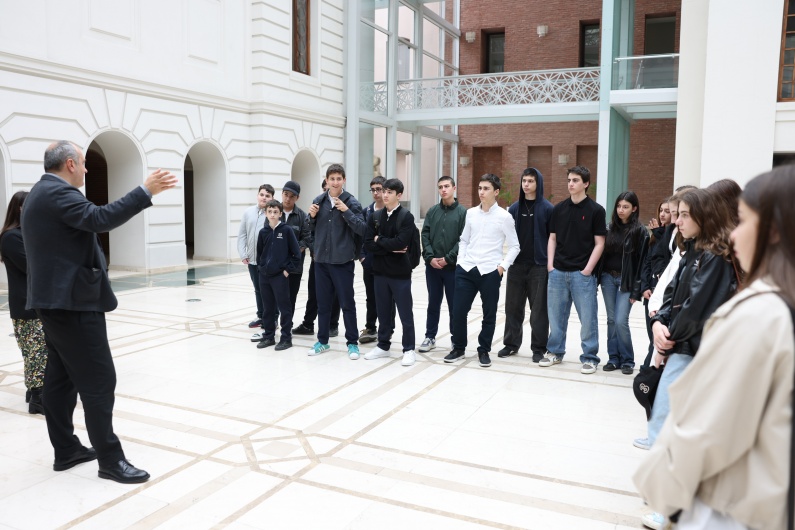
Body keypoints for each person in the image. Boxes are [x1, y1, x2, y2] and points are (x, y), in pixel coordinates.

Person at [634, 167, 793, 530]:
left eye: (744, 221)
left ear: (773, 231)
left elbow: (709, 425)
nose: (734, 233)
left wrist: (664, 489)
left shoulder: (761, 313)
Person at [21, 140, 177, 483]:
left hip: (57, 301)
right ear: (70, 164)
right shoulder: (56, 193)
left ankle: (66, 450)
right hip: (71, 302)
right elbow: (99, 219)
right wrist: (145, 191)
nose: (87, 169)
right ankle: (110, 459)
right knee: (99, 380)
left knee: (60, 380)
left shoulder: (40, 192)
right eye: (83, 162)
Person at [444, 174, 520, 368]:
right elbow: (464, 240)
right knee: (458, 311)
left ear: (496, 192)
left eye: (486, 188)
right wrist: (460, 262)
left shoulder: (504, 217)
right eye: (480, 188)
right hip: (467, 269)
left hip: (490, 272)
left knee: (489, 314)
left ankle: (484, 350)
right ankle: (458, 348)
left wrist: (502, 268)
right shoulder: (470, 214)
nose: (481, 192)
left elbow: (515, 246)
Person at [539, 165, 606, 374]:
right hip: (557, 272)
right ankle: (555, 352)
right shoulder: (558, 209)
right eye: (569, 180)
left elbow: (600, 243)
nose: (571, 184)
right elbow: (552, 239)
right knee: (556, 317)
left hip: (582, 275)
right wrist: (550, 266)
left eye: (575, 180)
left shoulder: (596, 210)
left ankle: (590, 357)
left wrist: (587, 269)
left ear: (586, 184)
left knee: (588, 319)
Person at [307, 164, 367, 359]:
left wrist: (346, 211)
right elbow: (310, 229)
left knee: (347, 303)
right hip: (321, 262)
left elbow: (362, 229)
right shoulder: (318, 201)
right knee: (323, 304)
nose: (335, 182)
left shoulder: (352, 202)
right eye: (331, 179)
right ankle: (322, 341)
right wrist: (311, 217)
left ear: (344, 180)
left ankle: (352, 343)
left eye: (338, 179)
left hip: (342, 262)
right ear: (326, 181)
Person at [498, 167, 553, 362]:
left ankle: (538, 348)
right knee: (512, 307)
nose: (526, 184)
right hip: (516, 266)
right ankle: (511, 344)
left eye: (530, 181)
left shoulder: (547, 209)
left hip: (539, 267)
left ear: (538, 183)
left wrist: (550, 264)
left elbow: (553, 239)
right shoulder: (514, 209)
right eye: (524, 181)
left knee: (538, 311)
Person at [0, 191, 48, 414]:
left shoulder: (25, 234)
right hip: (27, 305)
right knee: (37, 352)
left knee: (36, 350)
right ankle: (38, 399)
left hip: (35, 302)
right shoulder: (11, 237)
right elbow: (32, 267)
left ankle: (33, 391)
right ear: (20, 209)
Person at [363, 178, 417, 366]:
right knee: (383, 312)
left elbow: (401, 243)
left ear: (399, 195)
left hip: (400, 274)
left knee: (405, 314)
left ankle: (409, 349)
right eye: (384, 191)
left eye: (389, 192)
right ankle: (383, 345)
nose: (384, 195)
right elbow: (368, 244)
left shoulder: (406, 217)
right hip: (380, 273)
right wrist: (388, 246)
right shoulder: (375, 216)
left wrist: (379, 240)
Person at [599, 191, 648, 375]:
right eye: (619, 206)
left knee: (621, 320)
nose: (621, 210)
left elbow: (642, 262)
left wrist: (637, 290)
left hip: (626, 281)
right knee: (611, 320)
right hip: (608, 278)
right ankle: (613, 358)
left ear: (634, 209)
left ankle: (627, 360)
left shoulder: (640, 231)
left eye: (625, 207)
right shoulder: (609, 228)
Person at [419, 176, 466, 353]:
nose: (443, 190)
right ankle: (430, 336)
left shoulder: (463, 213)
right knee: (433, 303)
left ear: (454, 188)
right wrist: (430, 258)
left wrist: (448, 258)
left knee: (455, 305)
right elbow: (425, 235)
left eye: (447, 186)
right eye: (440, 187)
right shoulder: (432, 211)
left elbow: (464, 239)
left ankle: (456, 339)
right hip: (433, 268)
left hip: (453, 268)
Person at [293, 179, 341, 337]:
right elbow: (308, 231)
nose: (329, 190)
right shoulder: (317, 206)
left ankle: (332, 325)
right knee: (313, 292)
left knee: (335, 293)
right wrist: (315, 250)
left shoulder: (343, 206)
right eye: (326, 188)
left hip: (335, 260)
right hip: (318, 258)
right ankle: (308, 324)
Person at [256, 199, 301, 351]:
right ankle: (268, 336)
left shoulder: (286, 230)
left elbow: (296, 254)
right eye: (270, 212)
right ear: (266, 213)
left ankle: (286, 338)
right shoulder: (263, 232)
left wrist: (287, 270)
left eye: (275, 212)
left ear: (280, 214)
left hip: (280, 276)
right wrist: (261, 268)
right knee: (268, 308)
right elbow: (260, 254)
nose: (272, 214)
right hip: (265, 276)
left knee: (284, 307)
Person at [238, 184, 274, 342]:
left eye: (267, 195)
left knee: (269, 291)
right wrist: (243, 254)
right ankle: (261, 316)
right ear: (257, 195)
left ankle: (272, 319)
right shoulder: (248, 213)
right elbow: (242, 235)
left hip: (267, 262)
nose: (264, 198)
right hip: (252, 260)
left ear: (272, 198)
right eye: (262, 194)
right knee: (258, 290)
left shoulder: (272, 213)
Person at [359, 176, 392, 344]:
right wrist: (362, 256)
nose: (376, 193)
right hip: (369, 261)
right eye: (373, 190)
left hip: (387, 262)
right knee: (371, 296)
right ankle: (370, 327)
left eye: (379, 189)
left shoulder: (391, 211)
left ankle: (387, 328)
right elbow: (361, 235)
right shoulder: (367, 211)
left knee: (387, 297)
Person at [279, 181, 311, 313]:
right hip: (275, 265)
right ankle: (273, 322)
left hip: (294, 267)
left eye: (292, 196)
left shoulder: (302, 216)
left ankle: (287, 323)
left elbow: (306, 238)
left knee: (290, 298)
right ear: (282, 194)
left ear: (297, 198)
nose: (288, 198)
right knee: (274, 298)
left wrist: (294, 251)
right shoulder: (274, 212)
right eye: (286, 194)